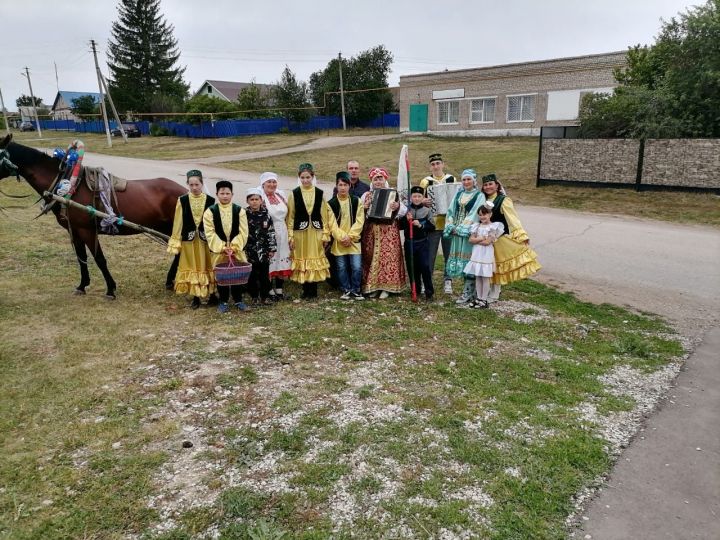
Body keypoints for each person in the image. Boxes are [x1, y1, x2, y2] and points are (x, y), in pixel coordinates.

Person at [480, 173, 541, 302]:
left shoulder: (503, 200)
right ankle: (485, 290)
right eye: (485, 185)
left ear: (496, 185)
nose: (488, 187)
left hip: (499, 239)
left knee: (496, 266)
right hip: (484, 239)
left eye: (490, 184)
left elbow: (512, 218)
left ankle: (495, 293)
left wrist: (521, 234)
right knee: (486, 265)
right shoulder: (482, 199)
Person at [167, 169, 217, 309]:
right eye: (191, 185)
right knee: (193, 266)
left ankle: (212, 294)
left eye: (197, 184)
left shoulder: (210, 200)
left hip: (205, 240)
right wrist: (176, 239)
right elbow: (178, 221)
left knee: (208, 265)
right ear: (188, 185)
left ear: (202, 184)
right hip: (189, 241)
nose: (194, 188)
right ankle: (196, 297)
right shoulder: (182, 200)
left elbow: (214, 222)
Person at [286, 163, 332, 299]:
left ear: (312, 177)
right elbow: (291, 217)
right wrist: (290, 236)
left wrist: (325, 234)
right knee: (303, 258)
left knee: (314, 258)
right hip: (300, 233)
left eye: (308, 177)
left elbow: (324, 216)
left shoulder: (319, 193)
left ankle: (313, 290)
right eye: (303, 178)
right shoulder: (294, 194)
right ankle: (305, 290)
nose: (305, 180)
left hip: (316, 232)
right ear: (299, 178)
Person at [203, 180, 249, 313]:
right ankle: (223, 301)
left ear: (232, 194)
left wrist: (234, 247)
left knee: (237, 275)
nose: (225, 196)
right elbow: (209, 232)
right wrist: (222, 247)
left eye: (227, 193)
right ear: (217, 194)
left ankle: (238, 300)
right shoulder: (210, 212)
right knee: (222, 276)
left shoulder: (239, 210)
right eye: (222, 193)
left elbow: (243, 231)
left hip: (236, 250)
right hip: (219, 251)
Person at [360, 167, 407, 298]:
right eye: (376, 179)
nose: (378, 182)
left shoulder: (393, 193)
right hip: (372, 230)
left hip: (389, 231)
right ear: (372, 181)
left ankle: (387, 288)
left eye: (380, 179)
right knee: (371, 257)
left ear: (385, 180)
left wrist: (396, 207)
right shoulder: (366, 195)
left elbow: (403, 211)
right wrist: (365, 207)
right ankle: (373, 286)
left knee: (388, 259)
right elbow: (359, 213)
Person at [443, 168, 486, 305]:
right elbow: (450, 211)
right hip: (456, 232)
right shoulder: (458, 195)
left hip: (468, 233)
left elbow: (474, 213)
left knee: (469, 262)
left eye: (469, 179)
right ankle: (468, 291)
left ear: (474, 181)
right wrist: (451, 226)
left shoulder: (479, 196)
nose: (466, 182)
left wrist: (462, 228)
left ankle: (469, 293)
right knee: (461, 262)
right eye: (464, 179)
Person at [420, 153, 456, 294]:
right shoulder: (425, 182)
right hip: (433, 224)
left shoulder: (451, 179)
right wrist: (423, 201)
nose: (436, 166)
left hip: (448, 223)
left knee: (449, 254)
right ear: (430, 166)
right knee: (430, 256)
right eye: (433, 164)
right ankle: (427, 281)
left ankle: (448, 280)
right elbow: (419, 200)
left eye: (438, 163)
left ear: (443, 164)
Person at [328, 171, 366, 300]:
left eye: (345, 185)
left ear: (349, 186)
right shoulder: (331, 204)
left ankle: (356, 289)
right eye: (340, 185)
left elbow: (360, 221)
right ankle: (346, 289)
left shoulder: (357, 201)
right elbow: (331, 224)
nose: (343, 187)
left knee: (356, 266)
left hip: (354, 240)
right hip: (339, 241)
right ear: (336, 186)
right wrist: (342, 237)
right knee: (341, 267)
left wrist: (350, 236)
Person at [258, 172, 292, 300]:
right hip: (268, 232)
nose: (272, 185)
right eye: (269, 182)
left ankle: (279, 289)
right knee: (270, 260)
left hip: (282, 230)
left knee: (281, 258)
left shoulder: (280, 196)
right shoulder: (260, 197)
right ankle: (269, 290)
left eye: (274, 182)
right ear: (263, 184)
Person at [463, 201, 504, 308]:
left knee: (485, 277)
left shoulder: (493, 227)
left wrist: (477, 239)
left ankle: (484, 299)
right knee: (478, 277)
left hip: (486, 255)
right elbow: (470, 240)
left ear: (490, 214)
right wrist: (481, 238)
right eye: (480, 215)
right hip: (477, 254)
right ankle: (479, 298)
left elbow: (487, 242)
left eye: (484, 214)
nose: (482, 217)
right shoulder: (476, 226)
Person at [402, 186, 436, 301]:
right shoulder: (406, 210)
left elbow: (432, 227)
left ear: (423, 197)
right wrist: (406, 220)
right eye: (414, 196)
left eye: (419, 196)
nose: (416, 198)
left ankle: (429, 292)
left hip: (422, 243)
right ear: (411, 197)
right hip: (409, 243)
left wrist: (421, 225)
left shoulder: (427, 211)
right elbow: (400, 226)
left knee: (425, 266)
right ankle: (415, 289)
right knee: (412, 267)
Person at [244, 187, 277, 306]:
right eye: (251, 199)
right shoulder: (243, 215)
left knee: (264, 275)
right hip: (250, 251)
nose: (254, 202)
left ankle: (265, 296)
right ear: (247, 201)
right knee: (252, 275)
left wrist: (272, 248)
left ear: (261, 200)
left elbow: (271, 232)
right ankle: (254, 297)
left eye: (256, 199)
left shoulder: (266, 215)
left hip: (264, 251)